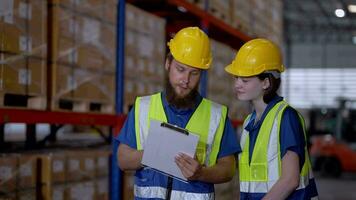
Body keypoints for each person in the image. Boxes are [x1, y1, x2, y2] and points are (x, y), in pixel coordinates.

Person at [116, 27, 241, 200]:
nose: (185, 80)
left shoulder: (216, 115)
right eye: (180, 70)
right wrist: (154, 152)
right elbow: (122, 159)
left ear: (201, 74)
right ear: (168, 64)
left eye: (194, 73)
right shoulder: (142, 107)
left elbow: (229, 169)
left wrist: (201, 173)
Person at [225, 38, 319, 199]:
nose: (237, 84)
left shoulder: (286, 117)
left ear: (266, 83)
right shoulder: (250, 122)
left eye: (245, 80)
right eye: (236, 78)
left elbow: (290, 180)